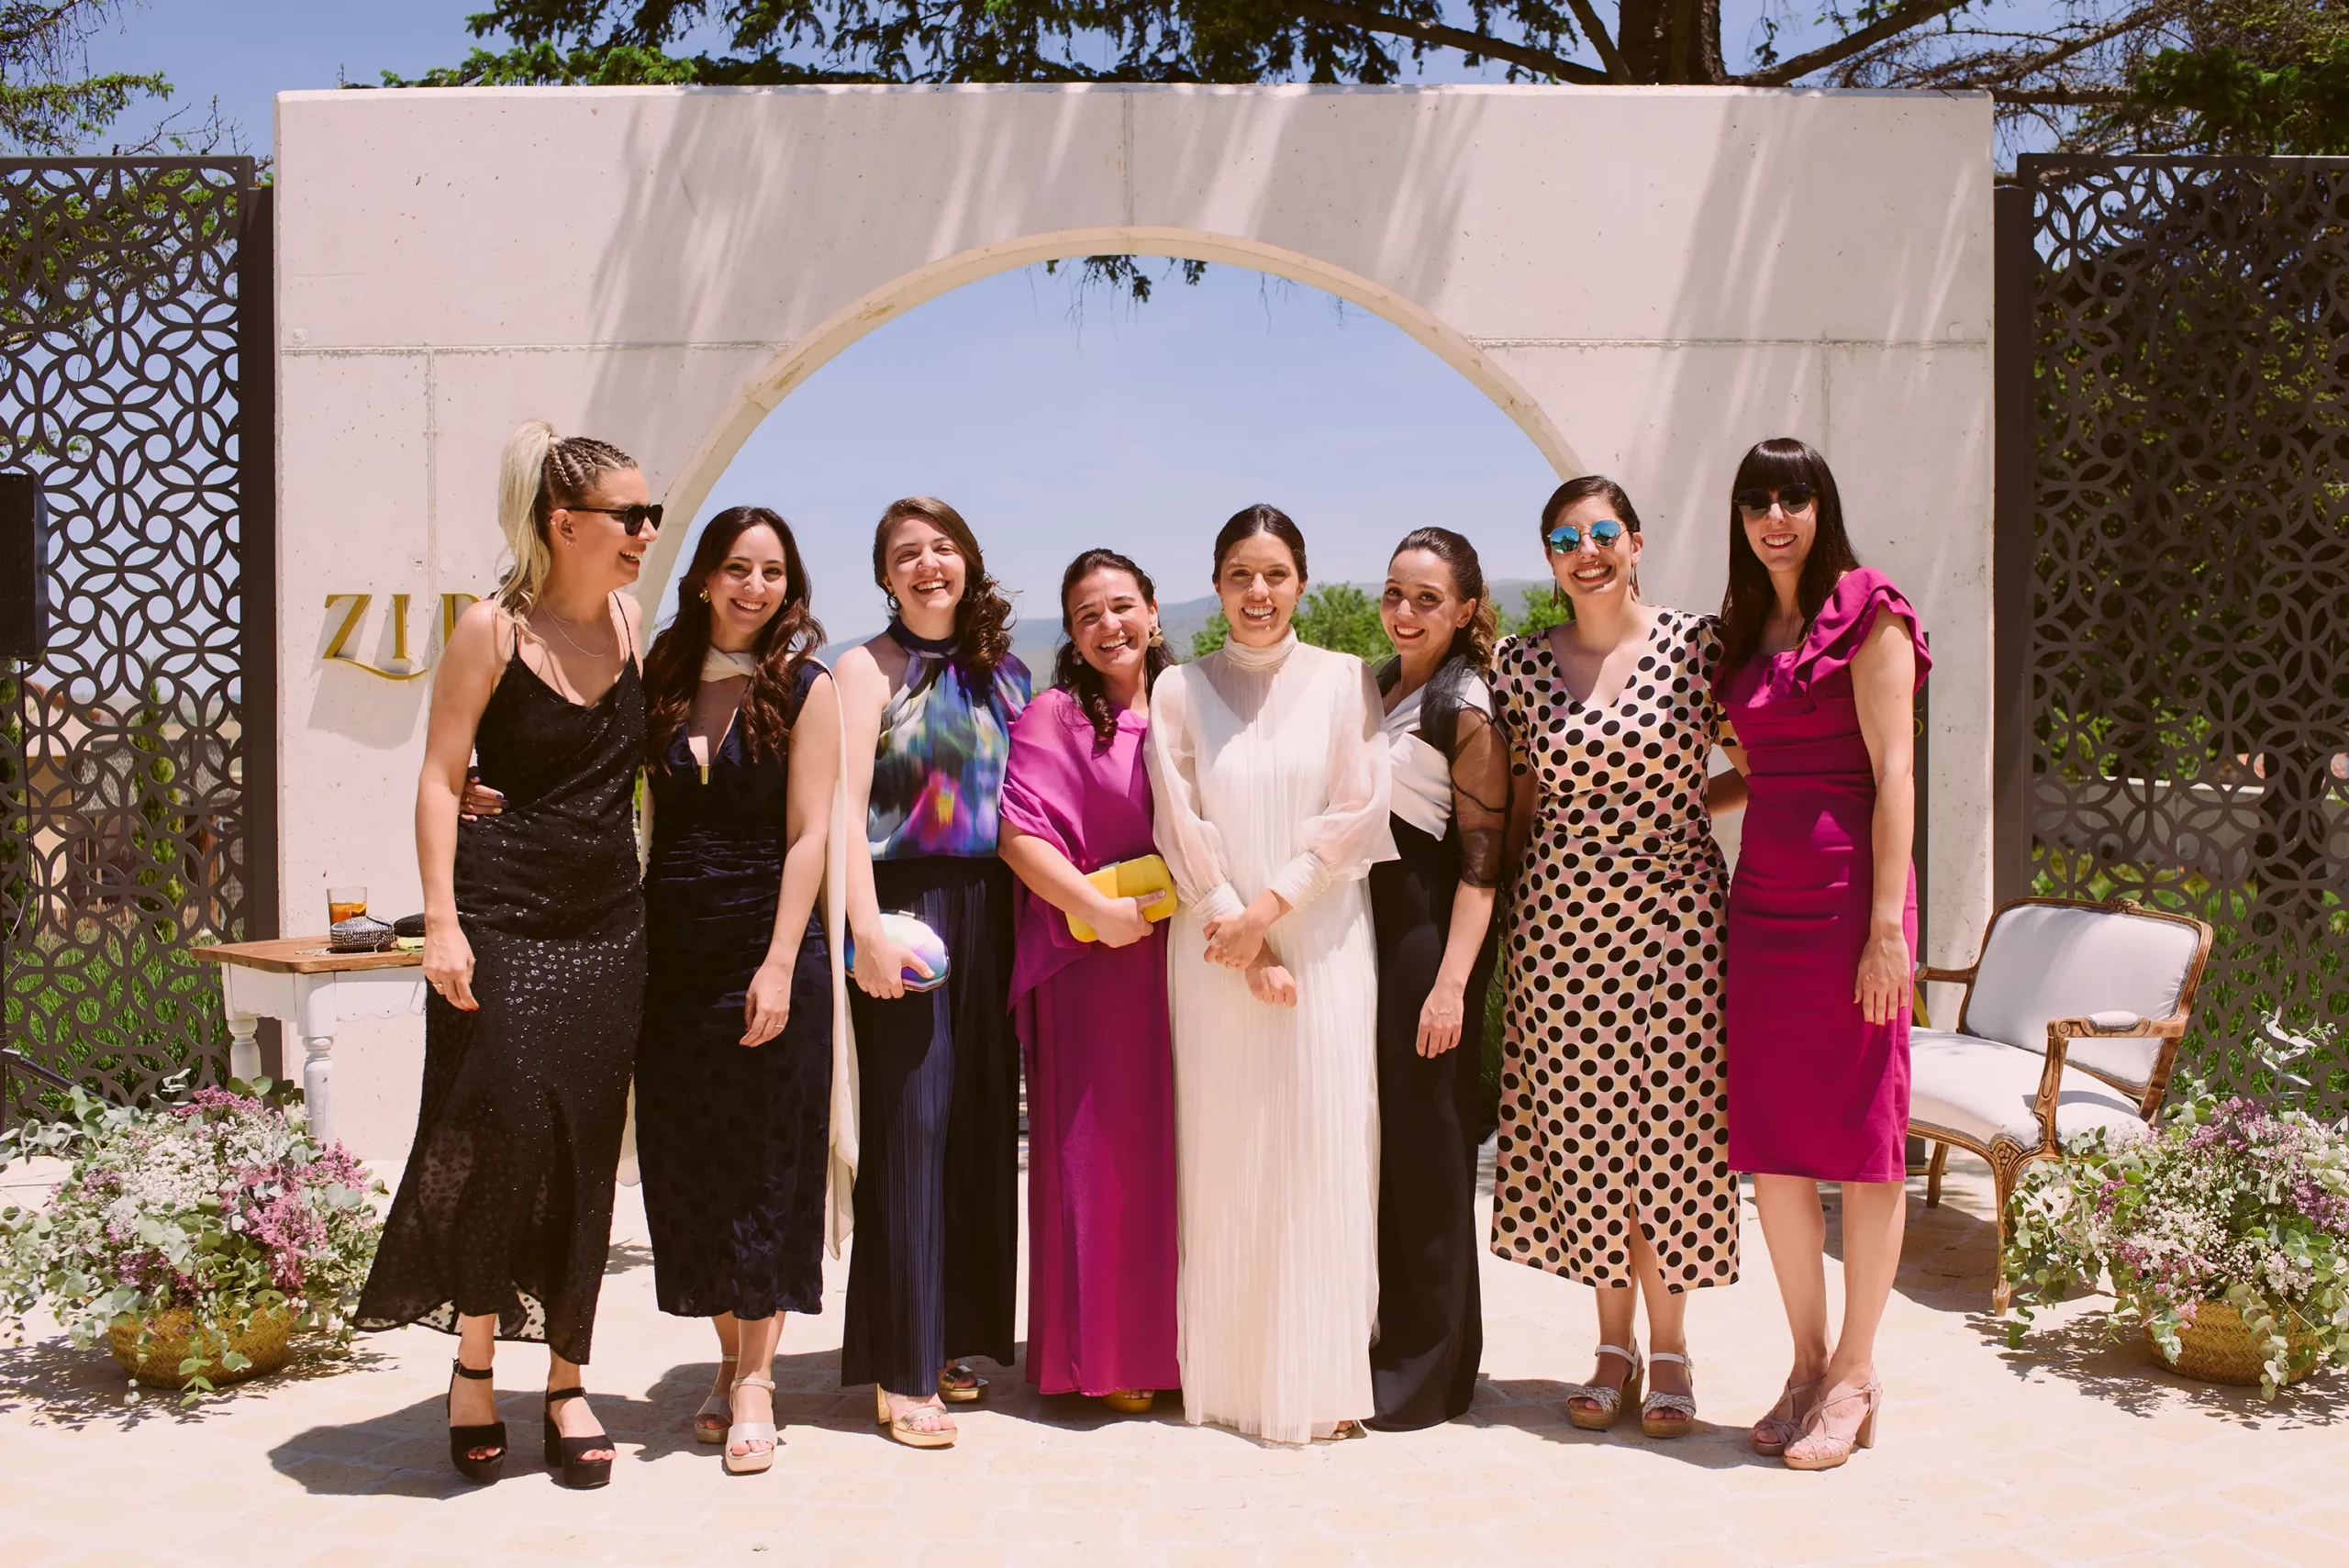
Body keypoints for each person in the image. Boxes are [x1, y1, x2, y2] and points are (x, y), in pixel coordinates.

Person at [357, 420, 659, 1489]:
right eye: (630, 514)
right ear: (564, 522)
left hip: (609, 922)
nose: (646, 531)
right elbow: (441, 778)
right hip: (504, 915)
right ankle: (475, 1361)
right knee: (503, 1132)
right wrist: (442, 920)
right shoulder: (491, 630)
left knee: (585, 1146)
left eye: (651, 514)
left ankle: (568, 1379)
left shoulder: (631, 621)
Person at [1487, 475, 1743, 1441]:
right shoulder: (1519, 664)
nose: (1585, 552)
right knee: (1586, 1127)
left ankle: (1670, 1349)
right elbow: (1518, 801)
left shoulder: (1698, 645)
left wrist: (1677, 809)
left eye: (1602, 532)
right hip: (1560, 929)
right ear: (1548, 557)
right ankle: (1611, 1346)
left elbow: (1753, 769)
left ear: (1635, 541)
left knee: (1675, 1130)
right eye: (1564, 539)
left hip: (1677, 924)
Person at [1144, 504, 1394, 1444]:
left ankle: (1322, 1373)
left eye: (1276, 573)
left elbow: (1357, 813)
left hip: (1323, 944)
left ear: (1302, 582)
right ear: (1216, 585)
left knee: (1324, 1143)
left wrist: (1268, 913)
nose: (1259, 591)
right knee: (1228, 1149)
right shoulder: (1178, 687)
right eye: (1241, 575)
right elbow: (1178, 820)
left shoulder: (1345, 678)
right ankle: (1233, 1374)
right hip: (1214, 955)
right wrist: (1233, 926)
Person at [1714, 437, 1928, 1472]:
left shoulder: (1868, 609)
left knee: (1863, 1141)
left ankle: (1855, 1370)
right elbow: (1757, 772)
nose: (1775, 516)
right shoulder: (1745, 630)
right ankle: (1804, 1363)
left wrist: (1888, 925)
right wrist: (1647, 799)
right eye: (1757, 499)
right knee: (1774, 1145)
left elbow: (1896, 773)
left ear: (1820, 507)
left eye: (1793, 497)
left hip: (1854, 910)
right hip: (1761, 908)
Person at [632, 506, 841, 1475]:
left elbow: (810, 833)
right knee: (688, 1163)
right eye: (737, 567)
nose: (754, 586)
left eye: (771, 571)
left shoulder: (805, 686)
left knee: (766, 1161)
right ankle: (726, 1351)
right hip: (671, 954)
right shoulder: (661, 678)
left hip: (771, 943)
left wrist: (778, 960)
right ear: (704, 579)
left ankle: (757, 1377)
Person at [833, 495, 1030, 1449]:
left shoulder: (1009, 674)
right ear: (885, 575)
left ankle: (948, 1337)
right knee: (910, 1126)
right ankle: (902, 1367)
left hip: (999, 909)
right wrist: (864, 927)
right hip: (904, 909)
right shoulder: (865, 669)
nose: (927, 564)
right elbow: (840, 809)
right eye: (906, 552)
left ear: (969, 561)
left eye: (943, 546)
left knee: (978, 1127)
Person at [998, 549, 1181, 1414]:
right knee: (1102, 1154)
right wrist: (1095, 910)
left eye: (1121, 606)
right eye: (1088, 615)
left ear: (1153, 611)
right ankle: (1102, 1354)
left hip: (1186, 959)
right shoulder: (1056, 716)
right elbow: (1018, 834)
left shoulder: (1189, 708)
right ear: (1072, 636)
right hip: (1092, 958)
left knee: (1180, 1157)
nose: (1109, 625)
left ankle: (1181, 1345)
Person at [1364, 528, 1507, 1431]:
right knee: (1385, 1148)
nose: (1405, 611)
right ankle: (1391, 1341)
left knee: (1429, 1150)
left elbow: (1484, 867)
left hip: (1427, 933)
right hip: (1368, 928)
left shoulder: (1466, 703)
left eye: (1426, 598)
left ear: (1464, 609)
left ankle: (1432, 1372)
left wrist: (1452, 984)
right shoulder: (1380, 682)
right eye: (1394, 593)